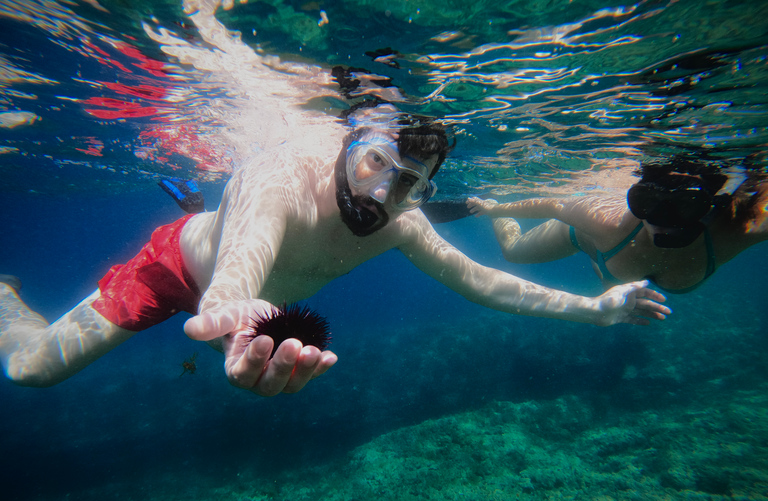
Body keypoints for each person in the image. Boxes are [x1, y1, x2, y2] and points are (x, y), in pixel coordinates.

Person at [0, 117, 670, 397]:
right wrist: (230, 312)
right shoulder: (281, 180)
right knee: (31, 368)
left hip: (238, 314)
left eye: (410, 183)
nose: (384, 194)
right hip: (177, 271)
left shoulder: (401, 222)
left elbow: (484, 283)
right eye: (376, 162)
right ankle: (6, 301)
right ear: (349, 144)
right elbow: (243, 255)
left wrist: (599, 309)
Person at [467, 157, 768, 293]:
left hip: (611, 258)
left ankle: (605, 272)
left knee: (610, 274)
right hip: (581, 237)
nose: (661, 218)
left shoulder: (737, 229)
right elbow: (550, 205)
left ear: (710, 205)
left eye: (686, 205)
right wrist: (493, 210)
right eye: (647, 202)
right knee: (512, 251)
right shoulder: (606, 223)